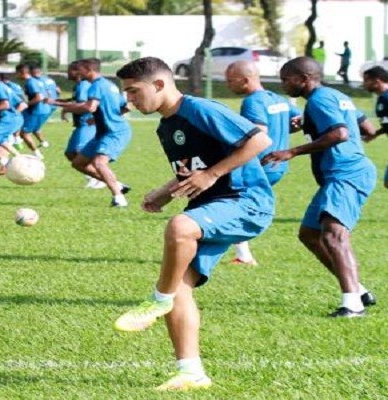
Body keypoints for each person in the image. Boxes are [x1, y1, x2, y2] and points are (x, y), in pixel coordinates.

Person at [114, 57, 275, 391]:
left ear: (158, 84)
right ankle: (191, 372)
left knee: (180, 228)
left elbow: (259, 140)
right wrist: (165, 191)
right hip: (212, 205)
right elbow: (194, 171)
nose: (128, 99)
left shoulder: (200, 109)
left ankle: (157, 299)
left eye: (133, 91)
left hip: (245, 201)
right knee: (181, 287)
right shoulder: (165, 127)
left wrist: (213, 174)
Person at [263, 57, 377, 316]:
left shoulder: (319, 99)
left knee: (333, 234)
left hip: (346, 173)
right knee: (310, 234)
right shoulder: (334, 94)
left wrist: (292, 151)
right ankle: (358, 289)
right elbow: (364, 126)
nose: (283, 84)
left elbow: (340, 134)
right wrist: (309, 122)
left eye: (286, 79)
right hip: (341, 173)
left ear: (304, 79)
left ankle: (352, 305)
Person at [224, 60, 302, 265]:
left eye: (231, 81)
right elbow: (299, 120)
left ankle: (243, 255)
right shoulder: (278, 98)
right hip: (278, 166)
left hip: (259, 165)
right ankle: (242, 252)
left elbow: (259, 133)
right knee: (236, 202)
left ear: (246, 80)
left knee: (230, 202)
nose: (228, 85)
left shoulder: (253, 102)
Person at [53, 58, 131, 207]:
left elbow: (90, 107)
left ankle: (119, 198)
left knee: (99, 162)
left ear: (89, 70)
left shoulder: (95, 85)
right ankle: (117, 185)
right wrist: (101, 118)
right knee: (78, 163)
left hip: (115, 132)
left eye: (80, 69)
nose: (77, 72)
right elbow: (125, 107)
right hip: (103, 132)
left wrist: (67, 108)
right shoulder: (110, 85)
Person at [362, 66, 388, 188]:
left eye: (366, 80)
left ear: (377, 81)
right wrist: (375, 134)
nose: (364, 84)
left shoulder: (386, 98)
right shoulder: (382, 98)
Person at [15, 64, 46, 159]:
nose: (16, 75)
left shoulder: (30, 82)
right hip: (41, 110)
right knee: (25, 129)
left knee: (25, 133)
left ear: (22, 72)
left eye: (17, 73)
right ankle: (17, 142)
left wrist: (26, 104)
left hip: (35, 111)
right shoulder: (35, 81)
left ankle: (37, 154)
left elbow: (39, 97)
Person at [31, 64, 59, 148]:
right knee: (35, 125)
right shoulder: (50, 80)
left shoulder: (36, 81)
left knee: (33, 125)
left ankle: (43, 142)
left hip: (44, 105)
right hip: (53, 104)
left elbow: (43, 94)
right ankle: (43, 142)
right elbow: (58, 90)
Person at [0, 73, 28, 150]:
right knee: (16, 124)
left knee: (13, 122)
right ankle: (16, 139)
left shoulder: (10, 86)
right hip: (18, 105)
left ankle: (14, 140)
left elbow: (20, 97)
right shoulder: (14, 85)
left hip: (17, 106)